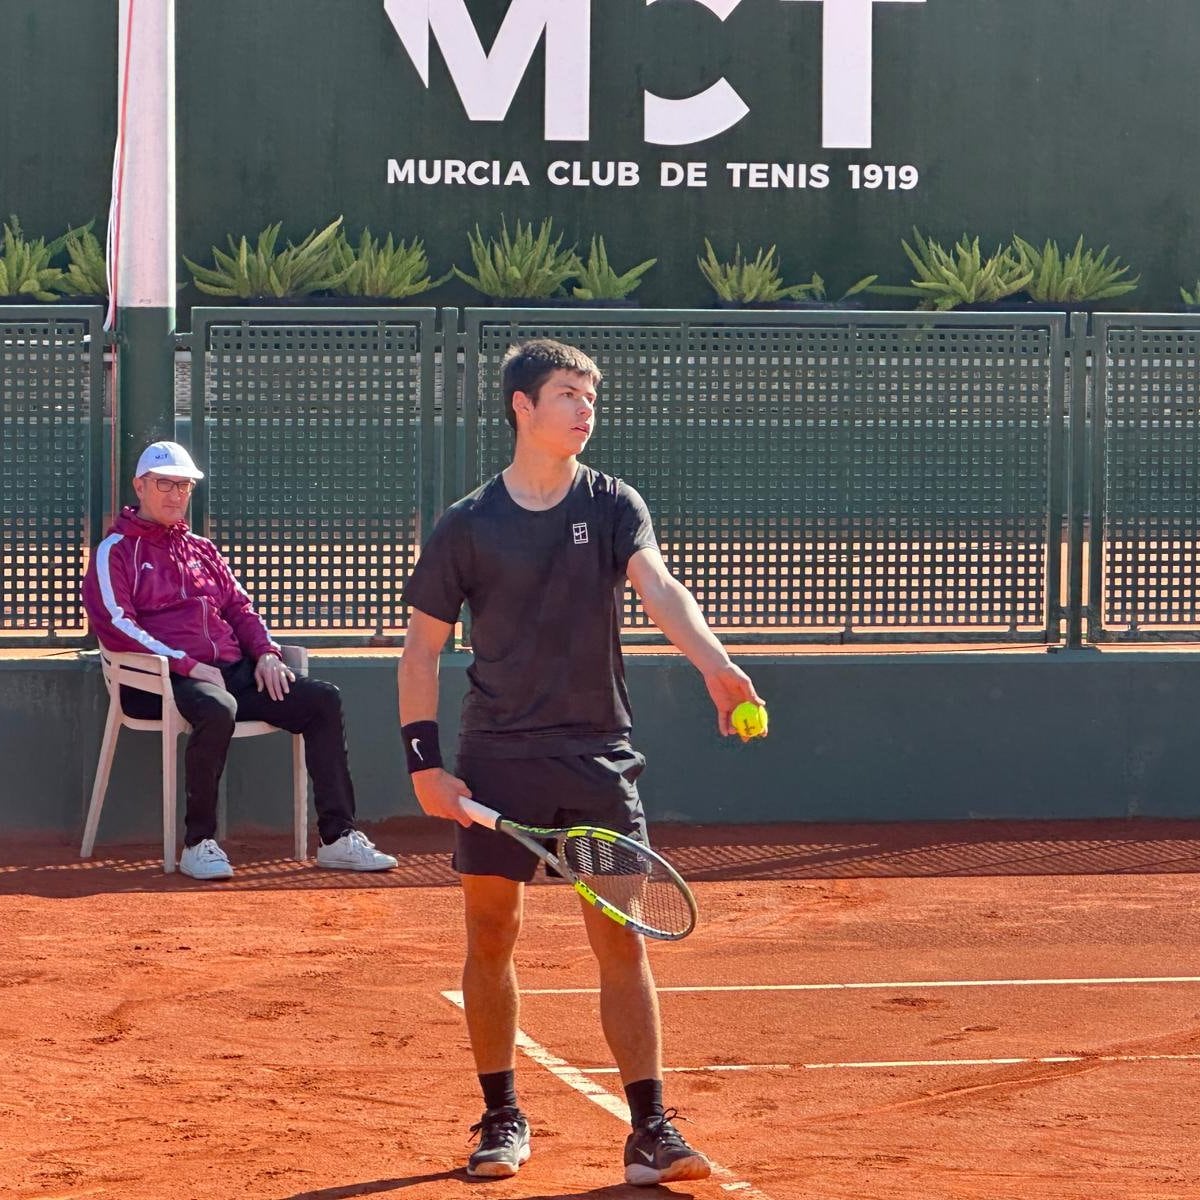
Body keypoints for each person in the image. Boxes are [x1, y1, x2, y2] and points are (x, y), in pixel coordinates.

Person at [397, 339, 764, 1185]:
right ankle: (500, 1116)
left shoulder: (611, 505)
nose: (585, 408)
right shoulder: (468, 524)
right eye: (568, 394)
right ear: (523, 407)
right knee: (492, 934)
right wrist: (425, 762)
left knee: (620, 939)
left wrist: (715, 663)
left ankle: (650, 1130)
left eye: (591, 395)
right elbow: (420, 651)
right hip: (496, 765)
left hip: (596, 763)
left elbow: (660, 586)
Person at [82, 440, 397, 881]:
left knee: (321, 700)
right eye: (165, 484)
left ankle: (337, 838)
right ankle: (199, 843)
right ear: (140, 485)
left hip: (231, 671)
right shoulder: (114, 550)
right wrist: (184, 664)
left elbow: (241, 610)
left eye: (184, 486)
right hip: (162, 681)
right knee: (217, 707)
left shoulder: (203, 550)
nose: (176, 495)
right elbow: (115, 624)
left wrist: (266, 654)